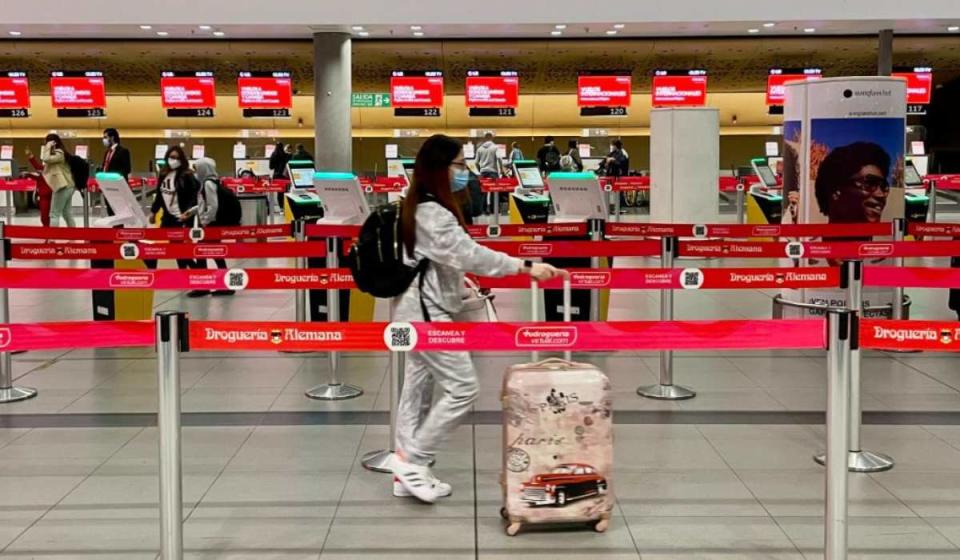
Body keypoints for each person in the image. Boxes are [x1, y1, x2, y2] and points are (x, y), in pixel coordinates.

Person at [390, 134, 566, 503]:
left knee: (417, 391)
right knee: (462, 387)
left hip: (417, 309)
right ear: (440, 168)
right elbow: (472, 255)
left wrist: (460, 283)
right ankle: (413, 462)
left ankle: (404, 469)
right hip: (428, 315)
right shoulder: (433, 214)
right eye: (458, 165)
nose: (464, 172)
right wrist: (526, 267)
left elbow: (445, 261)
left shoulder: (420, 205)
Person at [150, 146, 203, 286]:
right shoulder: (163, 174)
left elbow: (194, 196)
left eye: (176, 158)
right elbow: (160, 195)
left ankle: (197, 273)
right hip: (168, 217)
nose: (173, 160)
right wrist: (154, 212)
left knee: (180, 249)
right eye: (171, 157)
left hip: (183, 217)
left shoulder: (187, 175)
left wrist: (189, 213)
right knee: (175, 249)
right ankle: (186, 274)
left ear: (182, 159)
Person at [814, 142, 890, 224]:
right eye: (870, 183)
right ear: (835, 191)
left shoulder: (896, 236)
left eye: (883, 187)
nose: (881, 195)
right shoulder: (803, 236)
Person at [194, 157, 237, 296]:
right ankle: (224, 285)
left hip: (210, 225)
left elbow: (213, 206)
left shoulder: (207, 184)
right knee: (215, 254)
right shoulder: (213, 181)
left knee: (202, 253)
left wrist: (205, 221)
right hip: (212, 224)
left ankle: (205, 286)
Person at [40, 133, 76, 227]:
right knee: (67, 213)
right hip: (67, 186)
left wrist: (48, 146)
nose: (45, 144)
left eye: (46, 142)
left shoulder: (59, 153)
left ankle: (53, 238)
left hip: (62, 186)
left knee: (54, 214)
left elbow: (45, 159)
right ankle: (74, 235)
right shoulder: (60, 153)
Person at [24, 147, 52, 227]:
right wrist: (28, 174)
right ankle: (47, 231)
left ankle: (50, 231)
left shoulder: (53, 169)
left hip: (52, 196)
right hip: (44, 196)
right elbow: (39, 176)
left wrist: (30, 155)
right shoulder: (44, 169)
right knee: (44, 216)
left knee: (51, 216)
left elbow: (37, 167)